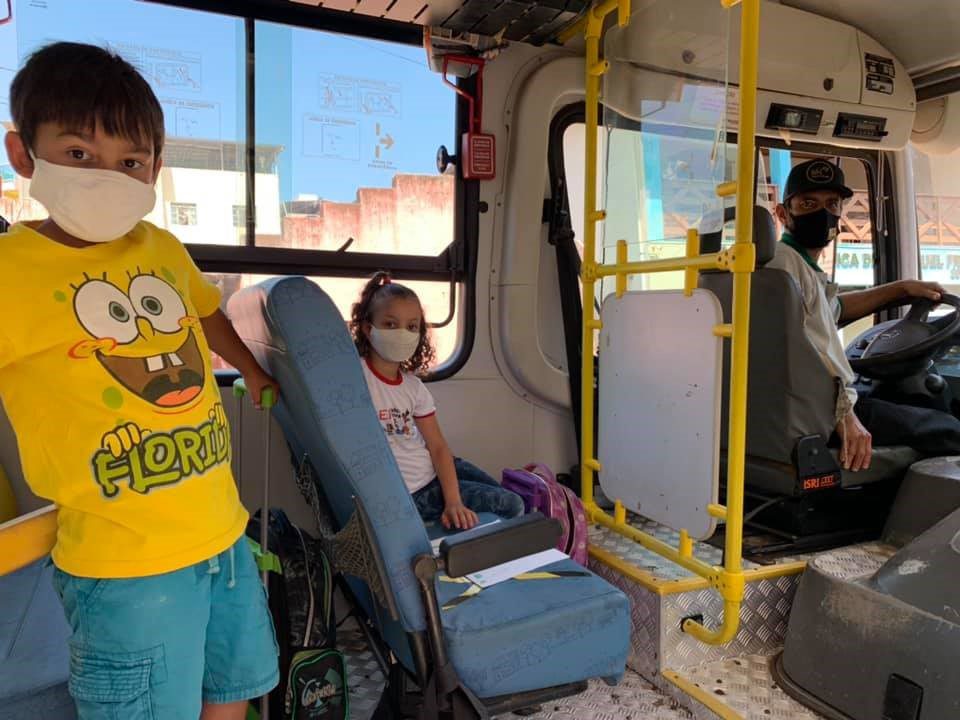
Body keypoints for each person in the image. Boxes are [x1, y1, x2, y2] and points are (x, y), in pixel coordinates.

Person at [0, 43, 280, 720]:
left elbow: (204, 314)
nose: (107, 177)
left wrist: (249, 368)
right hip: (124, 563)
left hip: (223, 535)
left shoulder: (162, 247)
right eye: (78, 153)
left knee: (234, 690)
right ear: (23, 154)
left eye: (130, 162)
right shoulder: (10, 272)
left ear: (155, 168)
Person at [767, 158, 960, 471]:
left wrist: (901, 289)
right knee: (948, 429)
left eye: (832, 204)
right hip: (818, 411)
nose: (822, 213)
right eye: (808, 204)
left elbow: (834, 310)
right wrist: (846, 416)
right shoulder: (787, 269)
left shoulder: (791, 264)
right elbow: (805, 355)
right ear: (782, 213)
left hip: (800, 407)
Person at [350, 272, 524, 529]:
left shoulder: (413, 387)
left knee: (498, 490)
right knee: (512, 504)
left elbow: (438, 447)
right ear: (368, 328)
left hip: (431, 470)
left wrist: (453, 500)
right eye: (390, 324)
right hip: (414, 493)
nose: (402, 333)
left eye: (411, 327)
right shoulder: (355, 376)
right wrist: (452, 502)